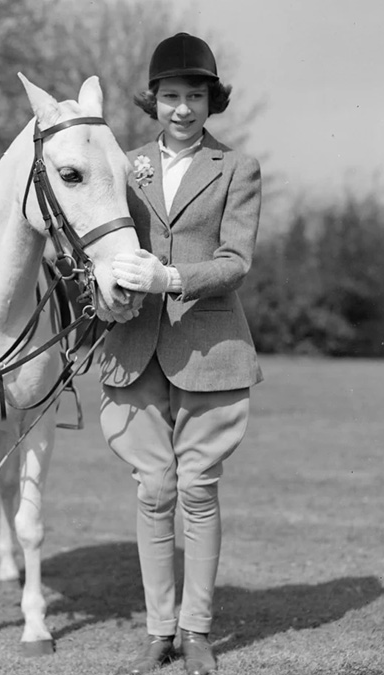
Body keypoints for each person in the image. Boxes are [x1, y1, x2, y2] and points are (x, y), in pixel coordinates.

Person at [98, 32, 263, 675]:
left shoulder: (237, 169)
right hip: (133, 344)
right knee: (153, 489)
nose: (183, 109)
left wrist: (170, 278)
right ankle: (157, 629)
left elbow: (236, 261)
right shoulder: (124, 164)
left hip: (209, 343)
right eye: (171, 96)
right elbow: (100, 247)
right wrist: (107, 289)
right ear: (154, 100)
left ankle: (196, 631)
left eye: (196, 96)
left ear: (212, 100)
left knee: (197, 488)